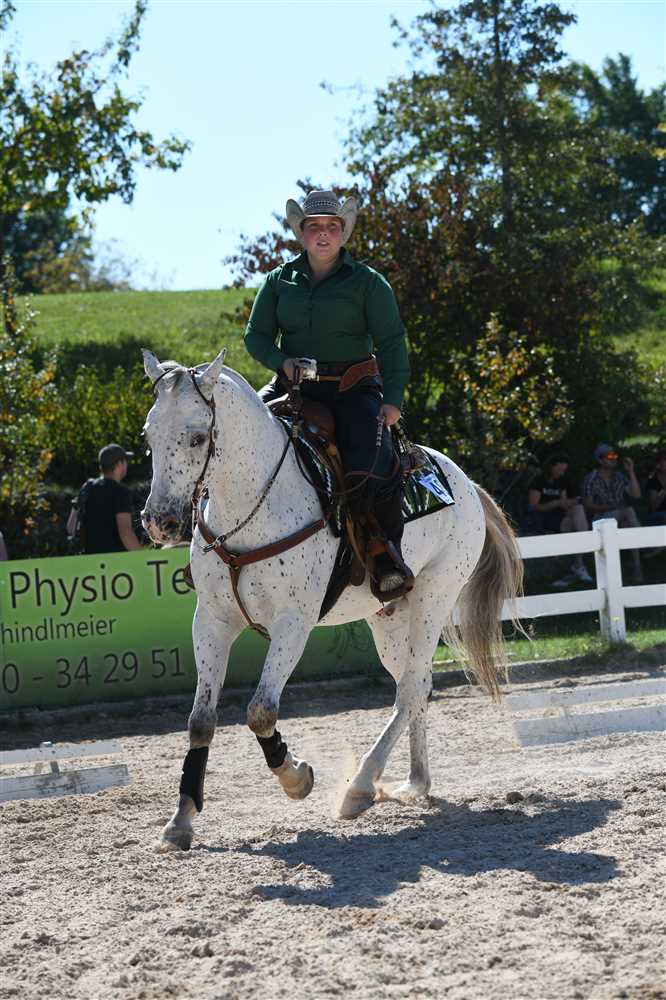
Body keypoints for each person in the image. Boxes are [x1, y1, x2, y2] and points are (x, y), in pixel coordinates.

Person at [244, 189, 411, 596]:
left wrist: (392, 399)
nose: (323, 234)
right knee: (239, 438)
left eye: (332, 227)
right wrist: (281, 361)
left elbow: (392, 342)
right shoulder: (278, 281)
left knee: (369, 465)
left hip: (352, 389)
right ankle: (209, 543)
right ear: (301, 233)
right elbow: (256, 335)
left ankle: (384, 553)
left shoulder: (369, 283)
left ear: (343, 233)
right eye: (314, 226)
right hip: (294, 387)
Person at [526, 453, 592, 583]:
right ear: (551, 467)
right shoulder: (538, 481)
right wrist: (556, 503)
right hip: (544, 517)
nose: (562, 473)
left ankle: (578, 564)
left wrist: (570, 502)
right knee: (577, 525)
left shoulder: (562, 482)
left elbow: (564, 503)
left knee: (578, 509)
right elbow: (534, 506)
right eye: (560, 469)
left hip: (560, 516)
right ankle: (579, 564)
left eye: (564, 470)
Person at [582, 443, 643, 581]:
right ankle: (643, 541)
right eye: (609, 456)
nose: (614, 458)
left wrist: (631, 471)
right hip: (600, 519)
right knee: (628, 511)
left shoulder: (619, 476)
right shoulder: (591, 479)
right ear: (600, 460)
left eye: (615, 455)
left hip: (621, 516)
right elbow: (588, 505)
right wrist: (609, 507)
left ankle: (637, 567)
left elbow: (636, 494)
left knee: (628, 524)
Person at [67, 443, 142, 554]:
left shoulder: (87, 487)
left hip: (88, 560)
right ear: (119, 464)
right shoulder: (120, 492)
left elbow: (70, 528)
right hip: (114, 561)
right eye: (125, 461)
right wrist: (143, 557)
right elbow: (125, 533)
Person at [645, 450, 666, 527]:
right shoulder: (653, 481)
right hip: (657, 515)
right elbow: (653, 507)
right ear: (658, 464)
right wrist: (664, 490)